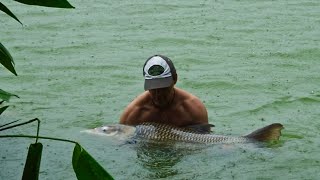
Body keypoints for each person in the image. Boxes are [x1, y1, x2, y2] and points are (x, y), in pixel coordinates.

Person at [119, 55, 211, 132]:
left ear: (175, 79)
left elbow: (205, 143)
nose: (158, 94)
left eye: (163, 87)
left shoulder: (194, 109)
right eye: (153, 88)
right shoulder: (132, 114)